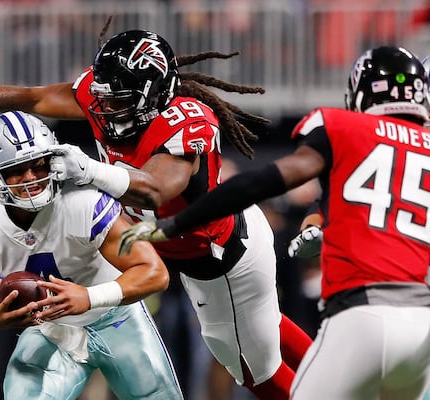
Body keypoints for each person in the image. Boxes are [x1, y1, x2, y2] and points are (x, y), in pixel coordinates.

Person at [0, 27, 313, 399]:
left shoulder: (187, 121)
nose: (102, 108)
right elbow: (33, 97)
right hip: (183, 248)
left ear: (154, 96)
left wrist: (91, 169)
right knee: (262, 326)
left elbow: (155, 190)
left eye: (118, 100)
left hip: (220, 256)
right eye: (102, 97)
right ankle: (330, 368)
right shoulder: (104, 98)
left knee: (251, 367)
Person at [118, 45, 430, 400]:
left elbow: (258, 183)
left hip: (361, 316)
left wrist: (173, 225)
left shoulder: (343, 126)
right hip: (421, 326)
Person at [0, 111, 182, 399]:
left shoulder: (82, 199)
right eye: (16, 169)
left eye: (38, 164)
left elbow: (154, 272)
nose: (31, 178)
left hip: (116, 317)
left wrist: (88, 297)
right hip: (49, 328)